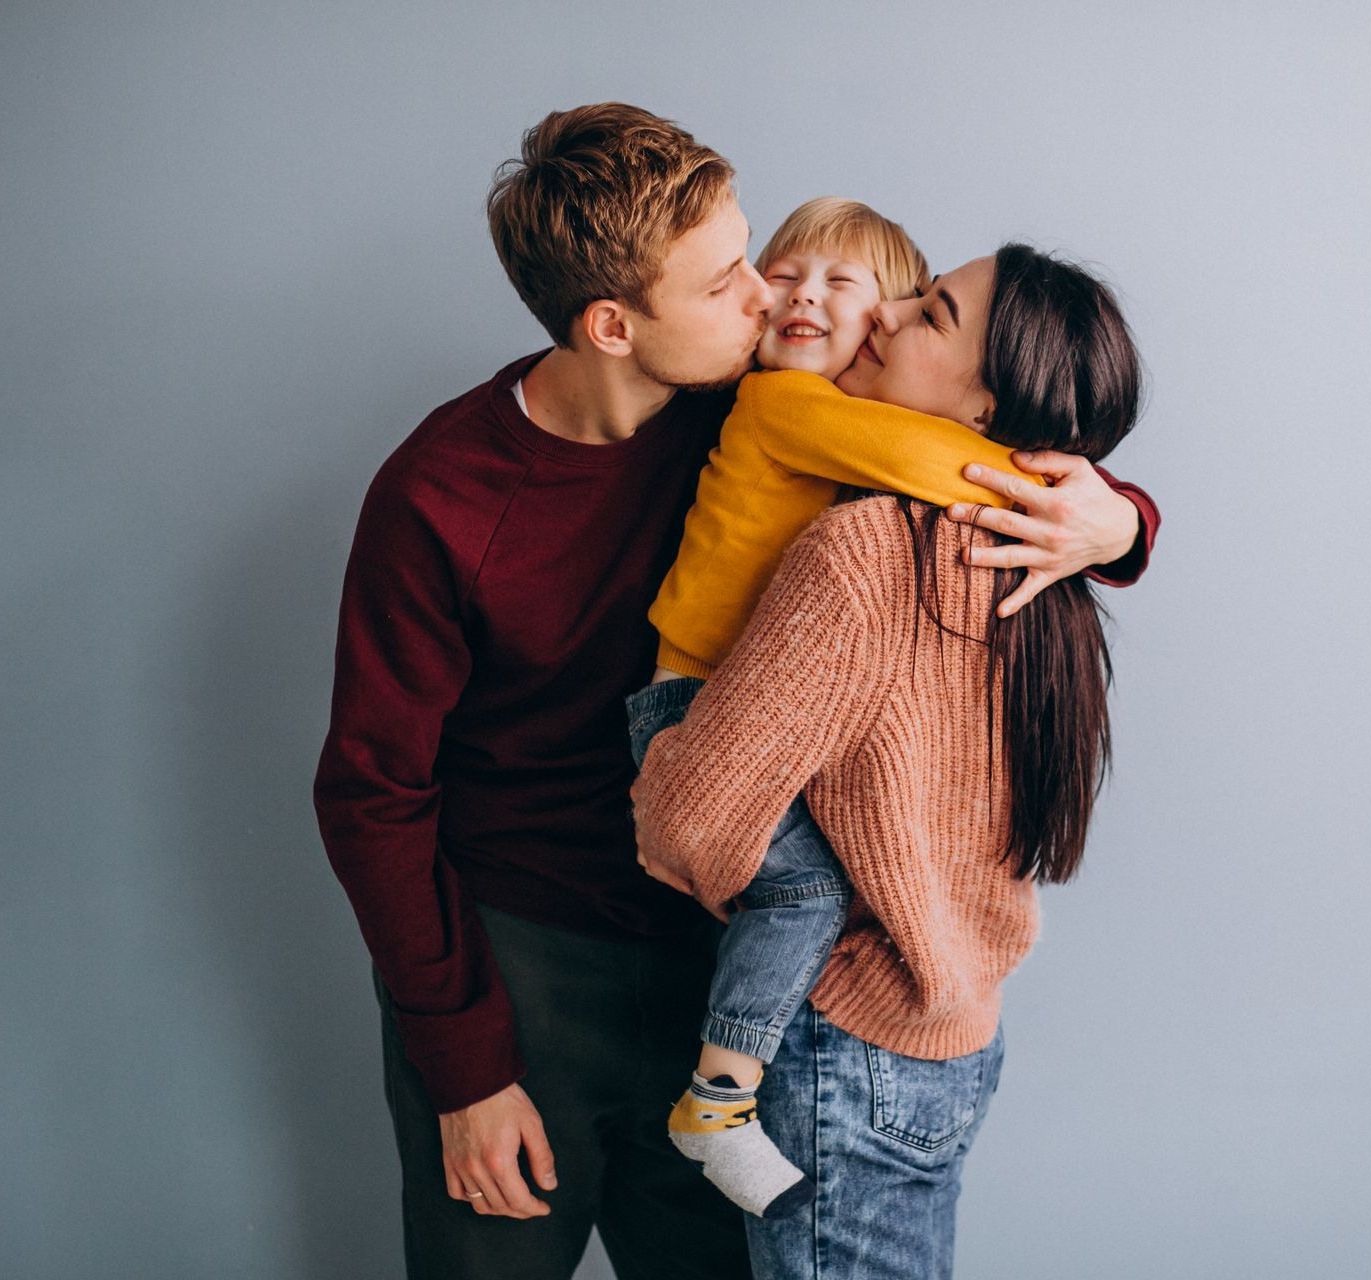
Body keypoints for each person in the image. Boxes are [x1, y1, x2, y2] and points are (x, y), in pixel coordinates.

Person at [314, 101, 1158, 1280]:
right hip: (519, 980)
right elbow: (371, 794)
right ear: (614, 323)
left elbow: (983, 418)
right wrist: (465, 1066)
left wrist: (1116, 519)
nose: (767, 300)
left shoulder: (758, 407)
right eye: (723, 285)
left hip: (727, 977)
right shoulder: (438, 498)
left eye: (750, 256)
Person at [631, 243, 1147, 1278]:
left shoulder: (863, 552)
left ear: (988, 400)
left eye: (932, 313)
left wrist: (666, 770)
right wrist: (1123, 519)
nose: (886, 316)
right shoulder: (1052, 560)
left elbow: (689, 822)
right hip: (957, 1034)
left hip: (850, 1048)